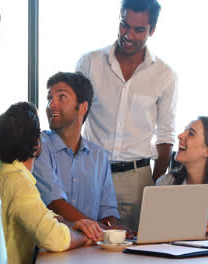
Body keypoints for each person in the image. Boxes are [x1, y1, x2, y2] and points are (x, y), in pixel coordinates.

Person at [75, 0, 178, 230]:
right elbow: (74, 122)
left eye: (139, 30)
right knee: (88, 247)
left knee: (138, 251)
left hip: (137, 179)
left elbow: (165, 136)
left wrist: (155, 186)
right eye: (124, 25)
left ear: (152, 30)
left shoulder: (165, 75)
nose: (128, 35)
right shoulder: (89, 63)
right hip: (92, 175)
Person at [0, 102, 103, 264]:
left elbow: (38, 215)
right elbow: (53, 239)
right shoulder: (18, 183)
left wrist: (72, 224)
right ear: (37, 144)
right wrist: (84, 237)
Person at [32, 72, 120, 229]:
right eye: (49, 98)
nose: (51, 105)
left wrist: (110, 228)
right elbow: (55, 204)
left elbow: (108, 210)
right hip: (52, 247)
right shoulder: (38, 147)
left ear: (83, 107)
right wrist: (101, 230)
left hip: (92, 247)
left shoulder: (99, 156)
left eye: (62, 97)